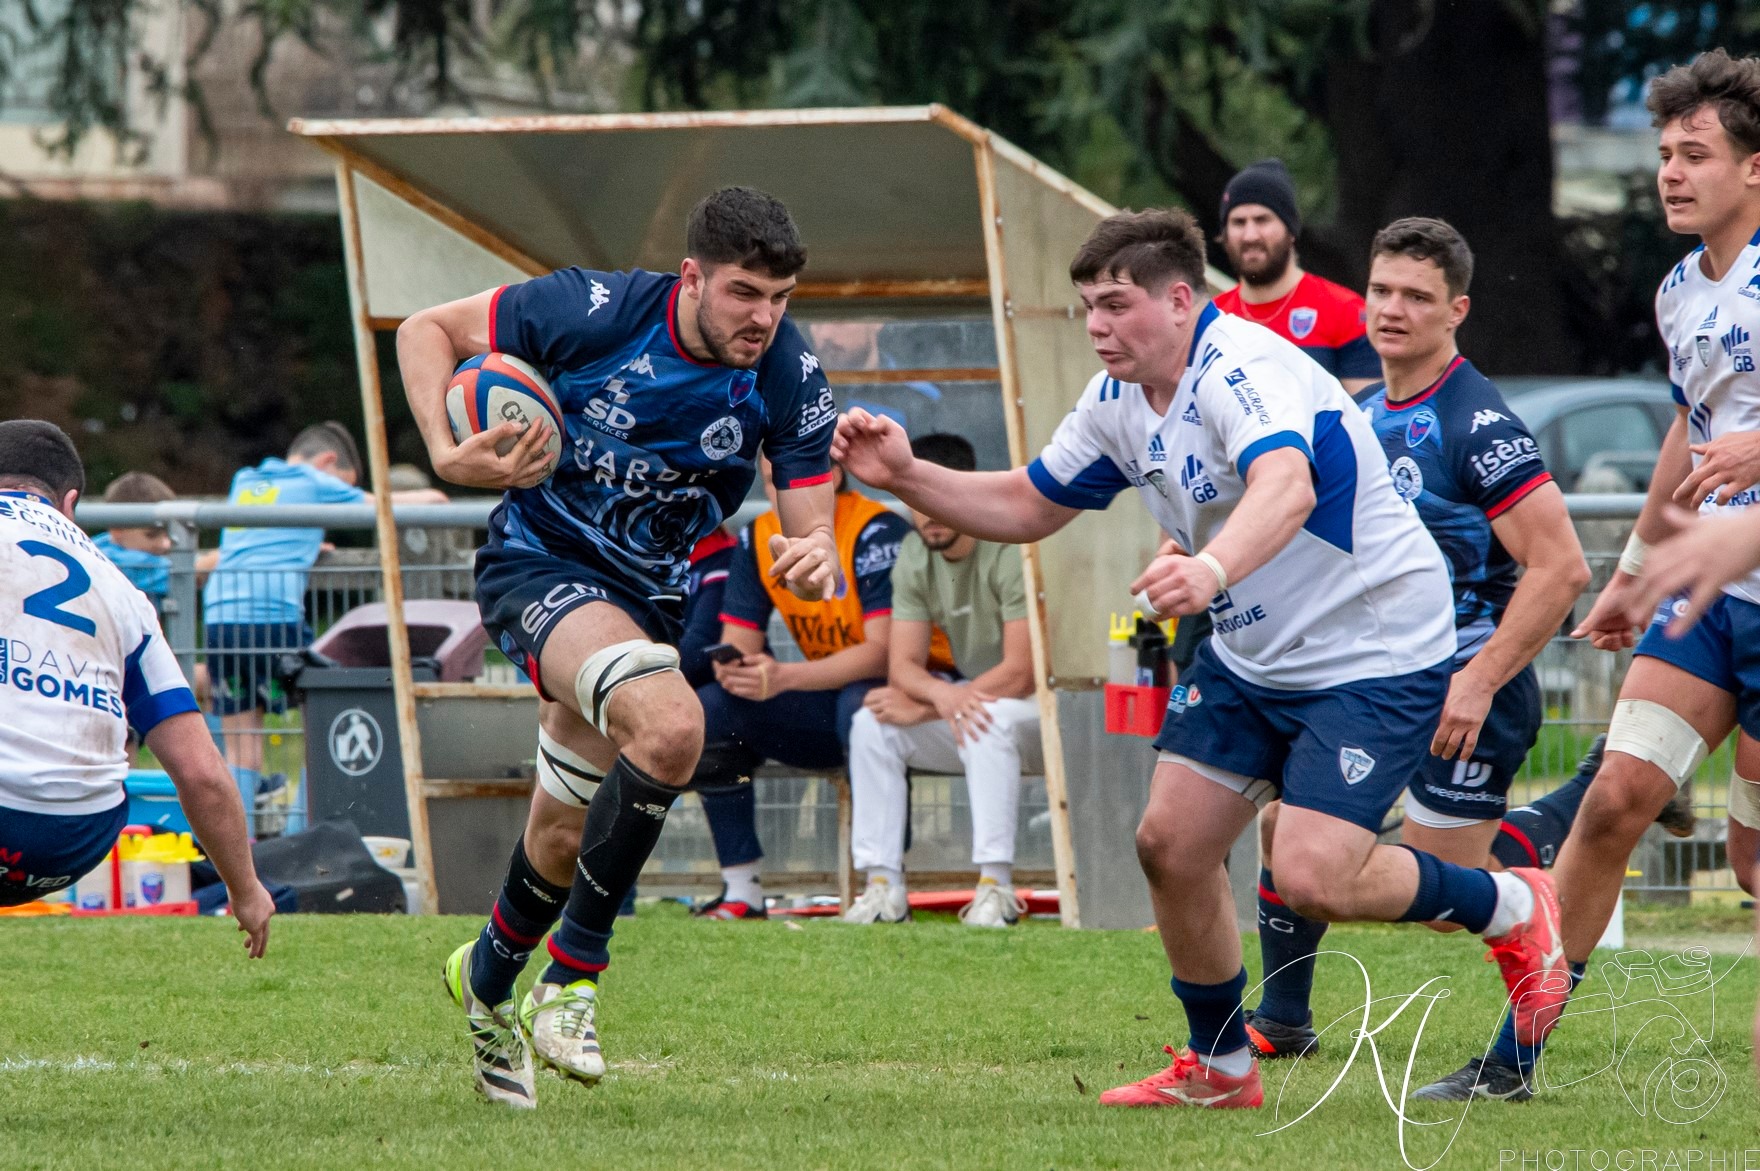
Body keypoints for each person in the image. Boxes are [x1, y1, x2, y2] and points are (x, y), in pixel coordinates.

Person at [833, 207, 1569, 1110]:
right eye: (1088, 309)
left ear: (1181, 299)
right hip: (1255, 649)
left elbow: (1285, 485)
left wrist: (1210, 566)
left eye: (1116, 304)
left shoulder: (1242, 368)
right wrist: (906, 474)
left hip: (1371, 653)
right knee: (1170, 846)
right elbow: (1030, 503)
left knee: (1311, 873)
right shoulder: (1116, 400)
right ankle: (1221, 1068)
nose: (1098, 326)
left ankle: (1514, 907)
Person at [397, 186, 840, 1108]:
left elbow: (810, 526)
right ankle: (572, 979)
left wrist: (813, 556)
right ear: (693, 277)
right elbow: (423, 331)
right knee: (674, 727)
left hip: (648, 594)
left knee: (561, 833)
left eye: (781, 297)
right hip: (539, 562)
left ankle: (482, 983)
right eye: (745, 293)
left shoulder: (788, 373)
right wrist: (446, 449)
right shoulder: (589, 309)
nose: (765, 317)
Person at [1418, 48, 1760, 1102]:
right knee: (1613, 797)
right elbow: (1690, 427)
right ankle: (1511, 1059)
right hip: (1709, 598)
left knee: (1750, 868)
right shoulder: (1674, 291)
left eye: (1692, 154)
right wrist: (1635, 564)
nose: (1668, 171)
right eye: (1661, 153)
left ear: (1752, 168)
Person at [1241, 218, 1591, 1060]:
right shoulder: (1363, 412)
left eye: (1417, 297)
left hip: (1470, 684)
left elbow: (1561, 566)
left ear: (1456, 310)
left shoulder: (1477, 422)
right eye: (1382, 290)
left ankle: (1574, 809)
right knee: (1287, 828)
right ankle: (1283, 1017)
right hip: (1379, 676)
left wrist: (1475, 681)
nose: (1393, 310)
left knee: (1437, 900)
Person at [0, 420, 272, 953]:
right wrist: (247, 890)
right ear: (70, 502)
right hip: (71, 839)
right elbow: (200, 772)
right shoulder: (120, 588)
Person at [690, 458, 909, 920]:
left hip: (900, 694)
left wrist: (783, 677)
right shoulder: (758, 535)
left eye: (795, 483)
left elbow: (883, 653)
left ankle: (885, 885)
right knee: (711, 708)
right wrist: (741, 672)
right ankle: (741, 890)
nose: (782, 495)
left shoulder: (876, 529)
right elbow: (739, 643)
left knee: (861, 704)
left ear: (833, 478)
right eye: (773, 483)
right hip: (821, 701)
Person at [843, 433, 1040, 928]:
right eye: (914, 500)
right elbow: (901, 667)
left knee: (988, 720)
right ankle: (883, 889)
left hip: (1049, 716)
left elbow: (1021, 672)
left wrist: (933, 707)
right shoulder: (914, 553)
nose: (925, 514)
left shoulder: (1009, 545)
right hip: (978, 709)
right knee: (872, 724)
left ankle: (995, 888)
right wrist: (940, 697)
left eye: (934, 498)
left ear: (962, 491)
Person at [201, 423, 445, 819]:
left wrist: (307, 540)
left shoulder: (247, 479)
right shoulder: (314, 480)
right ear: (329, 461)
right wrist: (434, 496)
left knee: (242, 745)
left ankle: (239, 848)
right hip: (273, 619)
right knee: (319, 724)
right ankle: (301, 834)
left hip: (220, 620)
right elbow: (380, 505)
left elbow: (260, 540)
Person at [1212, 159, 1380, 398]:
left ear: (1290, 229)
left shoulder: (1346, 312)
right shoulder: (1213, 319)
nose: (1250, 235)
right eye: (1238, 222)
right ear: (1225, 235)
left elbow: (1368, 416)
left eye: (1262, 220)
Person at [92, 471, 175, 610]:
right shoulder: (119, 562)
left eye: (169, 534)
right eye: (151, 535)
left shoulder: (97, 546)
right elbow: (186, 575)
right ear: (117, 530)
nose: (166, 544)